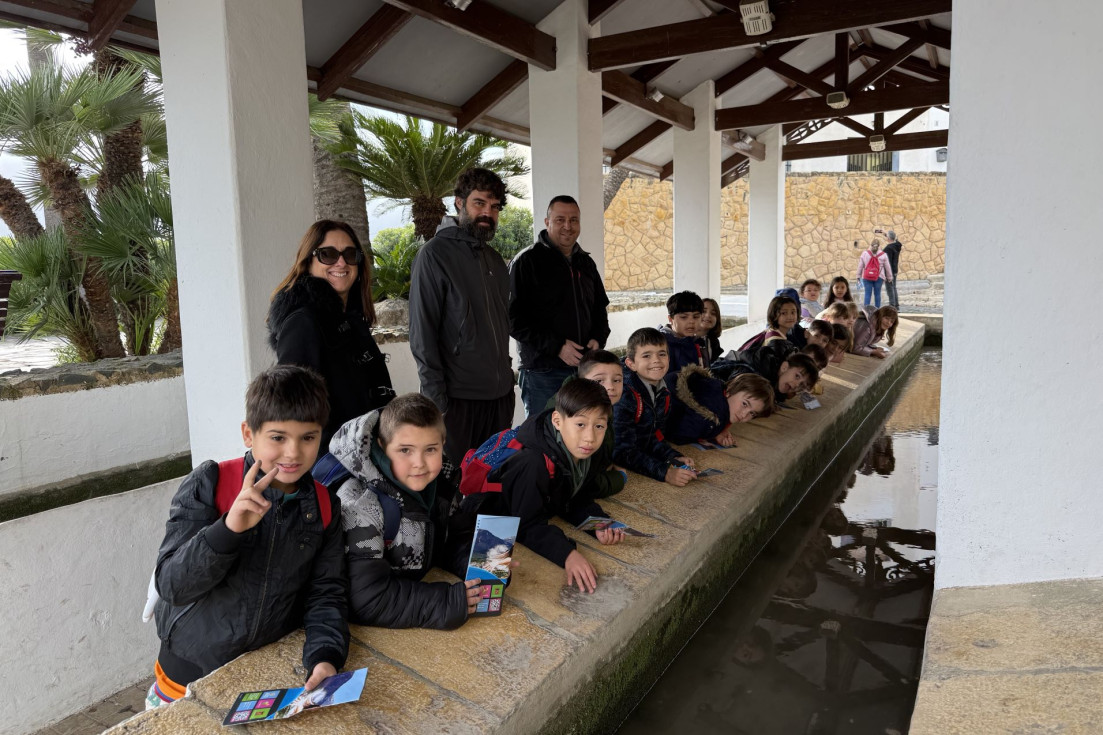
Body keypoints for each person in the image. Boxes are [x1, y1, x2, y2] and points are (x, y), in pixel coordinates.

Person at [147, 366, 348, 708]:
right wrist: (228, 530)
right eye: (278, 438)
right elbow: (172, 586)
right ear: (248, 434)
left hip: (261, 673)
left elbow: (326, 593)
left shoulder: (325, 506)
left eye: (308, 438)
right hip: (186, 673)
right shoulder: (212, 483)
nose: (293, 453)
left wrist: (326, 656)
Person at [451, 379, 624, 594]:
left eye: (599, 426)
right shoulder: (532, 462)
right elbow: (527, 524)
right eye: (580, 424)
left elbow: (574, 497)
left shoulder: (584, 452)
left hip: (526, 509)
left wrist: (598, 523)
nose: (590, 437)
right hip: (481, 521)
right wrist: (567, 554)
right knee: (493, 584)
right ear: (557, 421)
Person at [328, 394, 479, 630]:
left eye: (431, 449)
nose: (419, 463)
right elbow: (366, 599)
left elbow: (452, 540)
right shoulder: (360, 504)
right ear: (382, 446)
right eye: (405, 450)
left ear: (443, 443)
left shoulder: (441, 483)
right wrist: (445, 601)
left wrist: (483, 565)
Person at [409, 168, 515, 463]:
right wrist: (437, 404)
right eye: (479, 203)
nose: (488, 213)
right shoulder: (433, 255)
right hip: (457, 404)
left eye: (495, 207)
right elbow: (422, 335)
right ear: (459, 203)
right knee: (457, 484)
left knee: (494, 479)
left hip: (499, 400)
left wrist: (507, 383)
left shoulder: (495, 260)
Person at [269, 220, 394, 450]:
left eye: (350, 254)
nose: (341, 262)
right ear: (308, 262)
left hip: (370, 451)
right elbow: (295, 410)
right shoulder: (303, 323)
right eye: (327, 254)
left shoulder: (352, 319)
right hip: (336, 461)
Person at [509, 195, 610, 418]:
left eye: (573, 220)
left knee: (581, 431)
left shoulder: (586, 262)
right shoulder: (527, 261)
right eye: (560, 220)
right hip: (542, 372)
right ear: (547, 222)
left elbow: (599, 309)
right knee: (544, 433)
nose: (567, 226)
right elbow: (513, 320)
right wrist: (557, 347)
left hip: (583, 370)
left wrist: (598, 338)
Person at [614, 328, 696, 487]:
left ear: (669, 359)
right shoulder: (624, 395)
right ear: (631, 364)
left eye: (662, 354)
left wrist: (672, 457)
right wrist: (665, 473)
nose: (656, 360)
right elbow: (621, 451)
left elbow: (649, 438)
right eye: (646, 356)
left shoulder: (663, 391)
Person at [544, 349, 629, 500]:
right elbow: (586, 485)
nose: (610, 387)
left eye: (617, 380)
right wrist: (619, 478)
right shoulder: (567, 416)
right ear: (580, 380)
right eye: (599, 381)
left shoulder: (600, 405)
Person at [665, 368, 776, 446]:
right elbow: (678, 435)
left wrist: (718, 431)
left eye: (752, 413)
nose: (744, 415)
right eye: (745, 404)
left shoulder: (721, 394)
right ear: (730, 390)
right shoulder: (712, 403)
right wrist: (712, 433)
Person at [659, 291, 706, 375]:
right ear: (670, 319)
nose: (691, 321)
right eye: (684, 317)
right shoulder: (660, 344)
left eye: (696, 317)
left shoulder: (699, 341)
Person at [857, 238, 893, 308]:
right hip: (879, 277)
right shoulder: (883, 255)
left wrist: (858, 276)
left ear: (871, 245)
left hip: (867, 276)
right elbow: (887, 267)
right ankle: (877, 310)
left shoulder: (865, 254)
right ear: (879, 246)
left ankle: (866, 310)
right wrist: (889, 277)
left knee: (867, 294)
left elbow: (860, 266)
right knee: (877, 294)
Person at [882, 230, 903, 308]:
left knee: (890, 288)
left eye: (887, 236)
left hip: (889, 271)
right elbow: (897, 241)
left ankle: (892, 305)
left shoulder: (888, 249)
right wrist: (886, 234)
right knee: (893, 287)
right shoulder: (897, 246)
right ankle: (896, 305)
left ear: (888, 238)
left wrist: (887, 274)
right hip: (895, 270)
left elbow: (888, 263)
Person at [699, 297, 724, 364]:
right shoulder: (686, 340)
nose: (708, 315)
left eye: (713, 313)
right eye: (703, 311)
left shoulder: (714, 342)